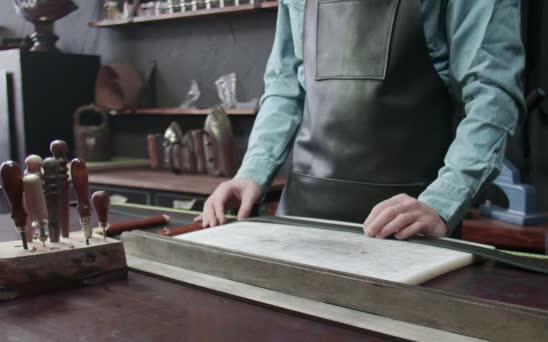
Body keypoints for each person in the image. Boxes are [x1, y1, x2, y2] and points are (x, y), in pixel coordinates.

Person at [196, 0, 525, 240]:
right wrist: (252, 173)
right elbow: (285, 86)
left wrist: (444, 201)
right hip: (299, 224)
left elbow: (491, 95)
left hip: (407, 229)